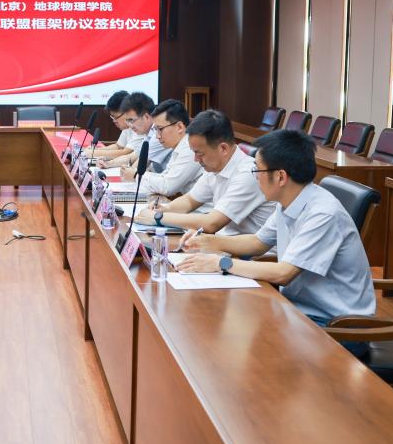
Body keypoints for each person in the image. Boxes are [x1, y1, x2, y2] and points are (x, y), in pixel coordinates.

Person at [177, 128, 374, 354]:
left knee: (234, 341)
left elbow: (284, 273)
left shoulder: (323, 213)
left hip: (336, 326)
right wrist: (209, 242)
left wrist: (220, 263)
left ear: (280, 176)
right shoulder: (289, 200)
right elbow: (257, 242)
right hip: (299, 311)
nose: (255, 177)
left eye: (257, 170)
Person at [134, 110, 274, 237]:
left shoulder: (247, 174)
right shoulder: (215, 166)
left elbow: (212, 223)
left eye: (199, 153)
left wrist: (158, 218)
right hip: (224, 243)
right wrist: (164, 209)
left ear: (223, 148)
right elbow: (190, 200)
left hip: (253, 254)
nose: (196, 159)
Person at [122, 99, 200, 197]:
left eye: (160, 129)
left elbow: (168, 187)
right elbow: (164, 177)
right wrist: (137, 174)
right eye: (155, 130)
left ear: (179, 127)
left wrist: (136, 175)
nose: (157, 136)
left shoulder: (190, 148)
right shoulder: (179, 147)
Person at [102, 92, 171, 169]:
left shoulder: (158, 134)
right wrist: (108, 163)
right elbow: (131, 157)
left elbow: (136, 170)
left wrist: (128, 170)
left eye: (132, 120)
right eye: (128, 121)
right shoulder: (148, 134)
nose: (130, 125)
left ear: (146, 117)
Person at [90, 90, 135, 158]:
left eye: (115, 117)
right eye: (112, 117)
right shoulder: (127, 127)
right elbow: (118, 146)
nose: (114, 121)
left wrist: (93, 153)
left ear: (126, 112)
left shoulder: (139, 126)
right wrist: (96, 150)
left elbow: (125, 152)